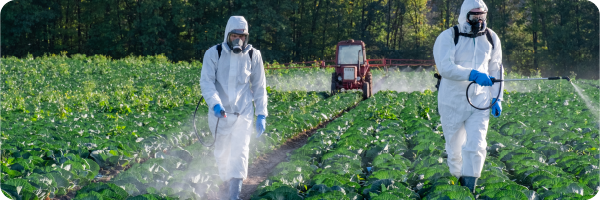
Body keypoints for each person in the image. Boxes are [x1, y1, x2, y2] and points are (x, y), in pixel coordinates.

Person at [432, 0, 503, 193]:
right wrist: (472, 74)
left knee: (477, 144)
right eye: (474, 16)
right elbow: (445, 67)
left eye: (482, 16)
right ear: (465, 15)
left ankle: (470, 188)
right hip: (452, 101)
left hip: (479, 101)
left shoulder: (491, 38)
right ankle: (458, 185)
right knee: (455, 150)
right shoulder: (449, 37)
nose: (479, 20)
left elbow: (496, 68)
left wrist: (497, 98)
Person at [199, 16, 268, 200]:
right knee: (222, 154)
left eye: (242, 36)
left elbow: (259, 86)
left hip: (242, 113)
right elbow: (207, 82)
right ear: (227, 35)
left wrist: (261, 114)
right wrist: (215, 104)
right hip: (220, 114)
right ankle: (223, 187)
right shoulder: (214, 54)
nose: (238, 40)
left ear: (246, 37)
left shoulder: (254, 56)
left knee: (240, 152)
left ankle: (234, 195)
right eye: (234, 36)